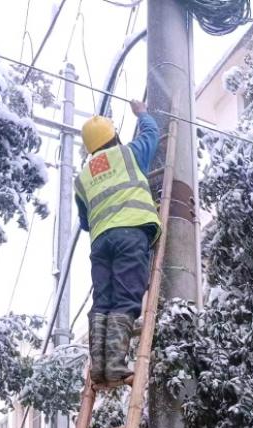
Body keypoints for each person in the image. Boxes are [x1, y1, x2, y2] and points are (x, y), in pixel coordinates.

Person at [75, 99, 161, 385]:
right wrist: (142, 113)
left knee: (103, 301)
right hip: (131, 233)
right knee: (125, 297)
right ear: (113, 136)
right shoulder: (128, 154)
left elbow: (85, 222)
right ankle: (114, 365)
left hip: (101, 242)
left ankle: (98, 368)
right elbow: (151, 134)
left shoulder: (82, 179)